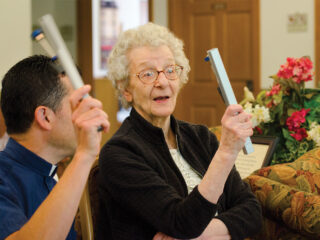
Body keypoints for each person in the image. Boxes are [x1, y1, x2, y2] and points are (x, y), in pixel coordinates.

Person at [97, 23, 262, 240]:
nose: (163, 82)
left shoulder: (200, 137)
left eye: (170, 70)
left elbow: (252, 211)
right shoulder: (120, 153)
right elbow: (181, 221)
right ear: (126, 89)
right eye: (147, 74)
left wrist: (196, 235)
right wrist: (226, 153)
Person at [0, 55, 110, 240]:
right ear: (45, 117)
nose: (88, 113)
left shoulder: (51, 175)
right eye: (77, 104)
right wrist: (84, 155)